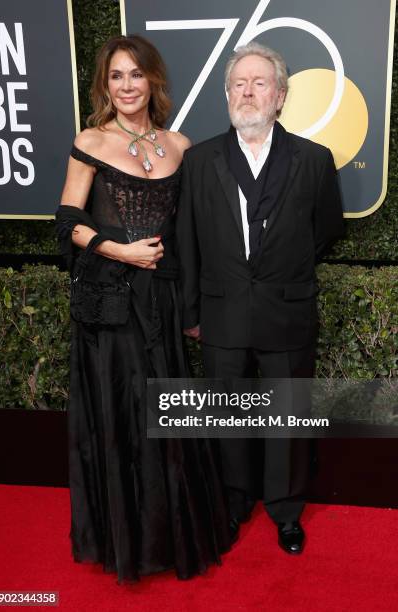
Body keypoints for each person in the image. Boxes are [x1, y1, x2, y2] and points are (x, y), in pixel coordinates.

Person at [55, 34, 232, 583]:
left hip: (164, 298)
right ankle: (129, 537)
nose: (127, 85)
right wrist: (118, 249)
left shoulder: (180, 144)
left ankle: (172, 532)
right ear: (104, 85)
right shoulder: (91, 140)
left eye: (135, 74)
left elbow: (191, 232)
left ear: (153, 80)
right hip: (111, 300)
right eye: (116, 76)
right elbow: (65, 221)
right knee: (126, 411)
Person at [176, 42, 344, 555]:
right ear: (227, 94)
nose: (248, 92)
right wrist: (192, 311)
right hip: (221, 311)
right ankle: (233, 501)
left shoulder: (314, 160)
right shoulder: (200, 160)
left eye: (259, 83)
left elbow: (326, 231)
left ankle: (286, 511)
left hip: (287, 309)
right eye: (238, 84)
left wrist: (279, 274)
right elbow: (187, 240)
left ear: (280, 96)